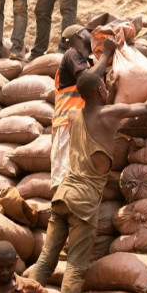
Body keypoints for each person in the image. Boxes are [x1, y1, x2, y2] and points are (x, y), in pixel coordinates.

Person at [28, 70, 147, 293]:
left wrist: (108, 91)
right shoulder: (111, 114)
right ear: (100, 90)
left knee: (46, 259)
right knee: (76, 266)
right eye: (104, 88)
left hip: (62, 195)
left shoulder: (73, 114)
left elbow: (98, 115)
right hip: (83, 202)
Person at [50, 25, 116, 190]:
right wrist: (106, 53)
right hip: (67, 125)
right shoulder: (71, 54)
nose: (91, 35)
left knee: (81, 183)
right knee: (65, 181)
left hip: (86, 128)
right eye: (88, 32)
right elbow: (86, 79)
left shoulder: (91, 63)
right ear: (79, 35)